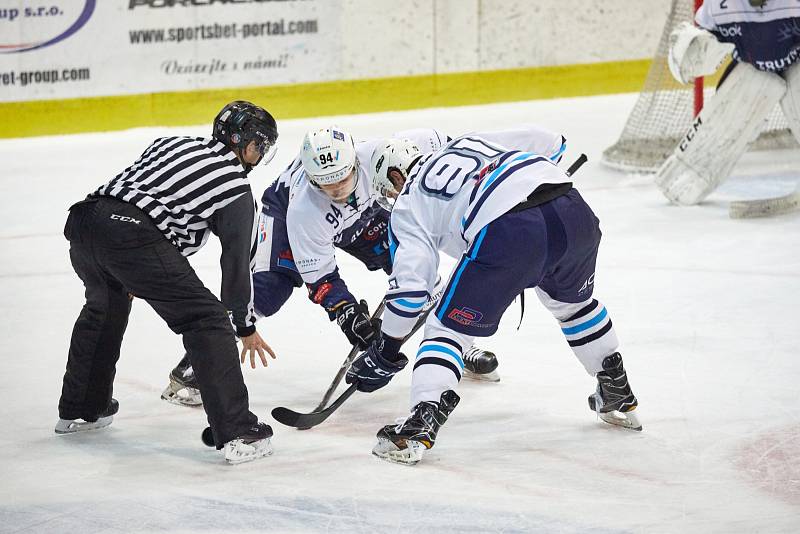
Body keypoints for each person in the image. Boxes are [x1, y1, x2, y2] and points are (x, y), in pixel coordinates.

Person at [344, 125, 641, 466]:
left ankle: (418, 423)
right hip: (573, 212)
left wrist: (386, 350)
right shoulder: (466, 142)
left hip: (510, 231)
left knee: (447, 328)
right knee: (573, 306)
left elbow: (412, 291)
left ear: (396, 176)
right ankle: (616, 387)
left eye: (390, 191)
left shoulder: (408, 202)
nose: (393, 198)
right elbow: (552, 142)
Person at [162, 126, 500, 407]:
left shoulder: (385, 155)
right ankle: (193, 365)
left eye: (344, 177)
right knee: (269, 291)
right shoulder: (304, 209)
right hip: (284, 217)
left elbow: (448, 147)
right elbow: (321, 278)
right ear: (310, 178)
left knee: (421, 273)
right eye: (327, 183)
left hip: (365, 213)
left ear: (356, 159)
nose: (338, 189)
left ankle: (458, 346)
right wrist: (348, 315)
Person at [56, 100, 278, 464]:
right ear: (243, 142)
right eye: (260, 145)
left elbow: (137, 193)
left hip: (84, 221)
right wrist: (244, 324)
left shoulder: (173, 142)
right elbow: (236, 265)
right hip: (133, 237)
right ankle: (237, 431)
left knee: (104, 310)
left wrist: (124, 265)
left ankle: (82, 409)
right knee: (207, 320)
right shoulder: (236, 188)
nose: (260, 154)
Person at [655, 0, 800, 205]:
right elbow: (700, 45)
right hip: (752, 69)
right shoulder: (719, 8)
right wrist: (691, 49)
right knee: (754, 86)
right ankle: (687, 176)